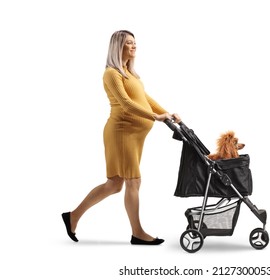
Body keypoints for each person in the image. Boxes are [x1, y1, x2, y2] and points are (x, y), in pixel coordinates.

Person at [62, 30, 181, 245]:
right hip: (122, 132)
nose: (134, 46)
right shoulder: (111, 73)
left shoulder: (129, 73)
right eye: (129, 43)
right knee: (133, 181)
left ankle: (73, 216)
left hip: (134, 135)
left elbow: (144, 98)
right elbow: (126, 103)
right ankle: (138, 233)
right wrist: (156, 117)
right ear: (118, 46)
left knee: (115, 184)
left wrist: (168, 114)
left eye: (135, 43)